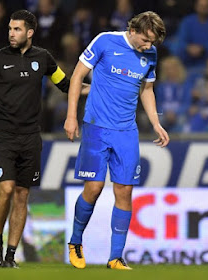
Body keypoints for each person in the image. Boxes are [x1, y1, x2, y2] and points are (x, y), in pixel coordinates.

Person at [0, 9, 88, 268]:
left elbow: (66, 85)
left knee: (21, 194)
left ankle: (10, 255)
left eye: (17, 29)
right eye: (10, 28)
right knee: (6, 189)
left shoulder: (43, 59)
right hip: (3, 136)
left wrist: (101, 88)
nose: (11, 33)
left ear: (30, 32)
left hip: (31, 137)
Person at [64, 11, 170, 270]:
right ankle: (76, 241)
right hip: (97, 128)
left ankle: (115, 257)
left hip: (126, 132)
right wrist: (71, 116)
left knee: (125, 191)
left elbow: (147, 89)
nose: (149, 46)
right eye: (146, 40)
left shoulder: (150, 54)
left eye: (152, 42)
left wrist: (156, 123)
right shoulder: (104, 41)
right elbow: (77, 77)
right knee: (94, 188)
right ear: (133, 30)